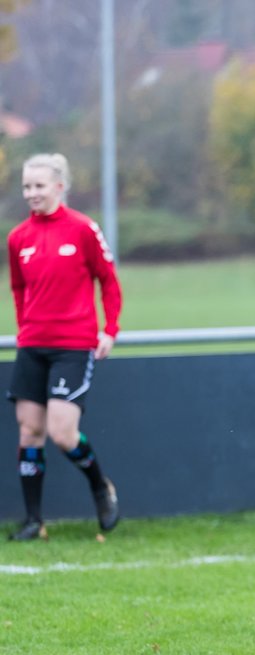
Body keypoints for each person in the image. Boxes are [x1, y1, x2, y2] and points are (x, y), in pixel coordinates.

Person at [6, 153, 121, 541]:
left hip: (73, 346)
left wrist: (110, 329)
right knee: (29, 432)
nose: (32, 193)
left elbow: (109, 280)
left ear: (59, 186)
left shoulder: (83, 229)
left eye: (39, 186)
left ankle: (100, 487)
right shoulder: (18, 237)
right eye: (26, 187)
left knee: (62, 433)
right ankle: (34, 520)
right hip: (32, 346)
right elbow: (19, 288)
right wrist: (25, 329)